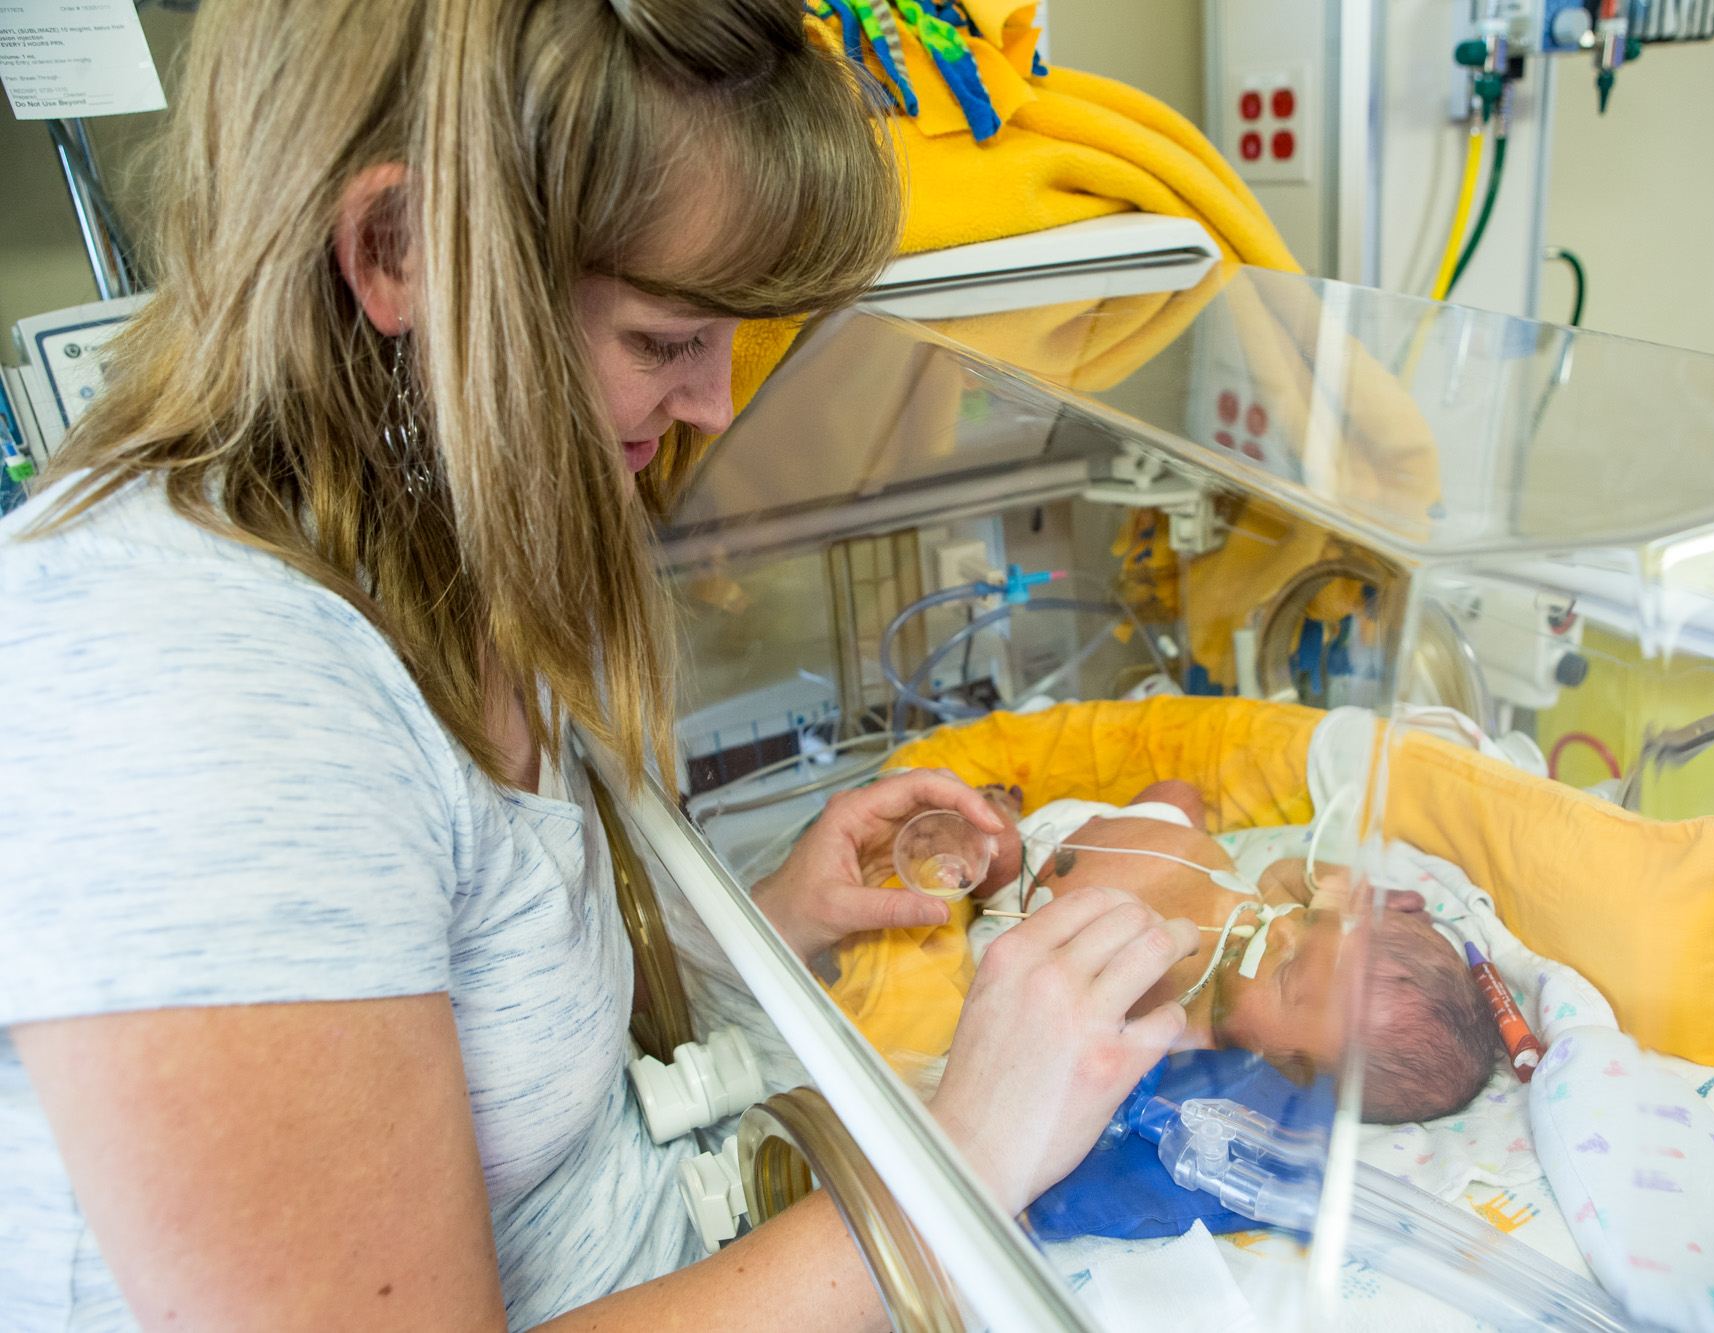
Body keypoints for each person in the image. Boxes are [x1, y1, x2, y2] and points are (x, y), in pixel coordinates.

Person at [0, 2, 1204, 1329]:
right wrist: (966, 1158)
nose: (717, 405)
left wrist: (762, 916)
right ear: (400, 252)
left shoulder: (427, 513)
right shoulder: (195, 695)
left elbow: (451, 975)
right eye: (668, 340)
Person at [969, 782, 1498, 1124]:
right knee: (1180, 795)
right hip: (1133, 825)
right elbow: (1280, 875)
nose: (1284, 932)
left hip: (1028, 887)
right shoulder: (1272, 926)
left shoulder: (1186, 1033)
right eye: (1312, 927)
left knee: (983, 840)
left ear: (1289, 1071)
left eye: (1291, 972)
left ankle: (999, 825)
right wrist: (1340, 890)